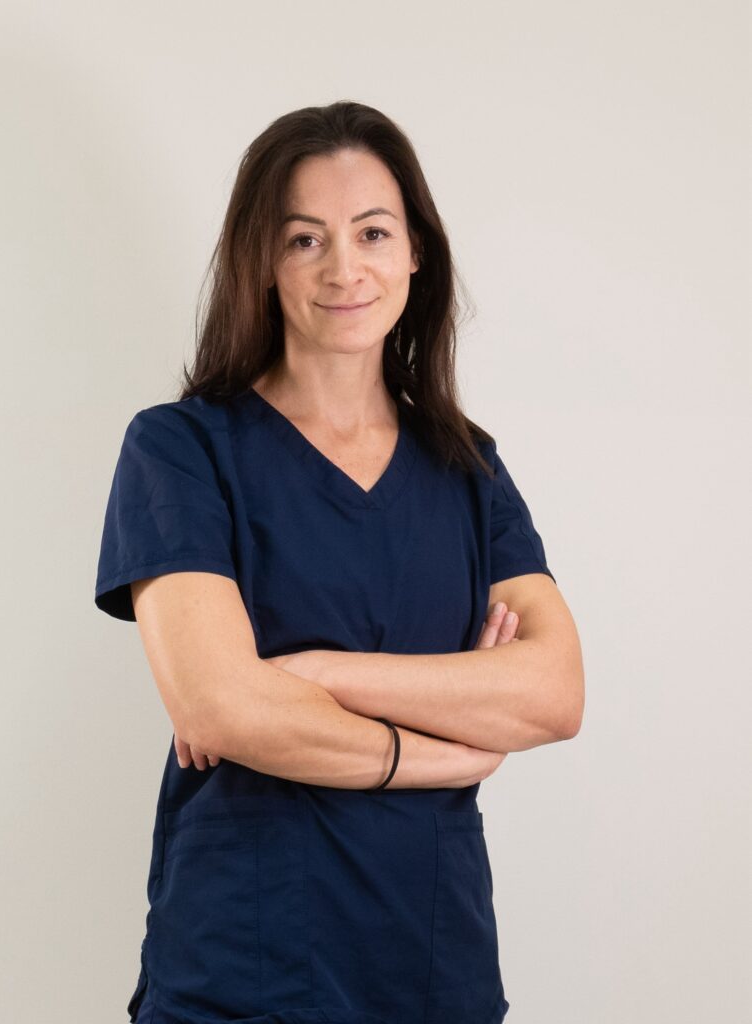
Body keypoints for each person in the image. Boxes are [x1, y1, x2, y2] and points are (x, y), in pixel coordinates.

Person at [94, 100, 584, 1024]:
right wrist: (441, 751)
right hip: (244, 964)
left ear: (415, 252)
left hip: (432, 962)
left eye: (371, 232)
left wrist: (316, 673)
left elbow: (553, 693)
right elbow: (220, 707)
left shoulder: (467, 469)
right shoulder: (181, 450)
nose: (344, 268)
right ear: (262, 262)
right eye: (304, 239)